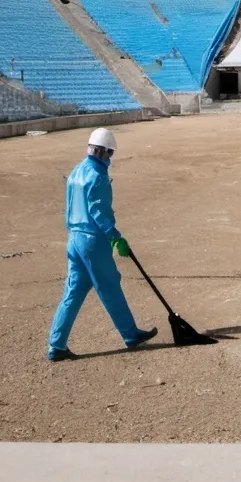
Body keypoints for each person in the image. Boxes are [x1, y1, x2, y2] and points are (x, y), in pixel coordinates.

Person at [47, 128, 156, 361]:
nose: (110, 159)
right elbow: (99, 211)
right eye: (110, 153)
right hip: (93, 241)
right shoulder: (97, 176)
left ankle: (56, 345)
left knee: (73, 292)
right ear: (103, 152)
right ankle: (130, 334)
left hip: (74, 239)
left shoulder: (76, 171)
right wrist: (115, 236)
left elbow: (69, 207)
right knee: (110, 286)